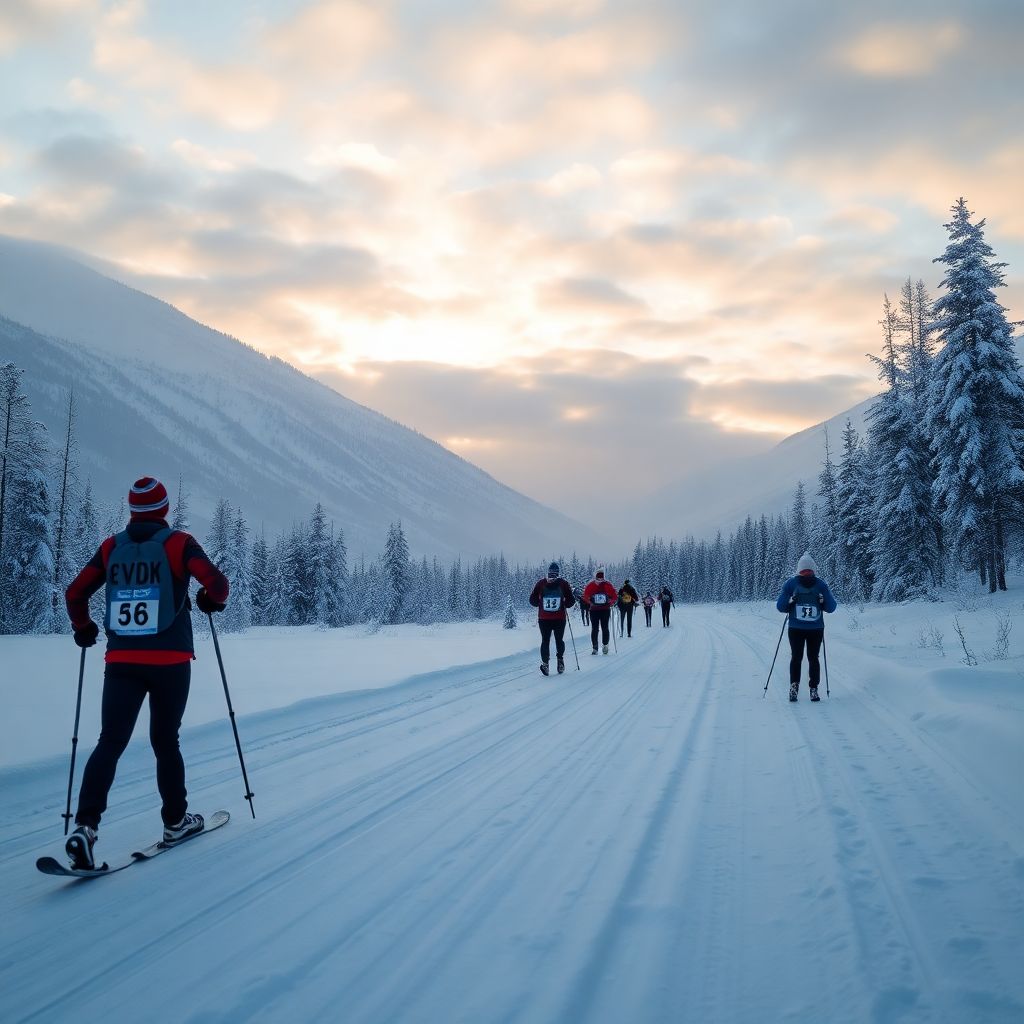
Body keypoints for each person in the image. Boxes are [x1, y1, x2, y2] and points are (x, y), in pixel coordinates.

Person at [62, 477, 230, 870]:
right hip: (170, 661)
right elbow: (218, 585)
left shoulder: (111, 547)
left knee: (110, 741)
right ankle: (175, 822)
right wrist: (208, 599)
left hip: (121, 660)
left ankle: (85, 828)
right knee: (165, 740)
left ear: (132, 509)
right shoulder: (179, 544)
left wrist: (83, 627)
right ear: (164, 509)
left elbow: (75, 593)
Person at [775, 552, 837, 702]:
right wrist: (822, 602)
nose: (807, 573)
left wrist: (790, 602)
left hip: (795, 628)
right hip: (816, 629)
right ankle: (813, 690)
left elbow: (781, 607)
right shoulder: (820, 584)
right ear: (813, 569)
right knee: (813, 658)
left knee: (796, 657)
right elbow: (831, 607)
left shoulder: (791, 584)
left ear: (799, 569)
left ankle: (794, 688)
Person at [529, 562, 575, 676]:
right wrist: (564, 603)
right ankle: (560, 661)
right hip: (560, 618)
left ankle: (545, 664)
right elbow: (571, 601)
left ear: (548, 572)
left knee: (545, 640)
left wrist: (540, 602)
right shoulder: (563, 583)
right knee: (559, 640)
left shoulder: (541, 583)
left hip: (544, 618)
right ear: (558, 573)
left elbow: (532, 601)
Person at [583, 567, 617, 655]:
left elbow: (614, 596)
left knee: (603, 628)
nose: (600, 580)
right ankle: (596, 647)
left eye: (601, 578)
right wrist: (590, 602)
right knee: (596, 629)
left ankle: (604, 645)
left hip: (602, 610)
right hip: (596, 610)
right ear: (596, 577)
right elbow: (585, 596)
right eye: (599, 578)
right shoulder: (592, 585)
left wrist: (610, 602)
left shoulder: (606, 585)